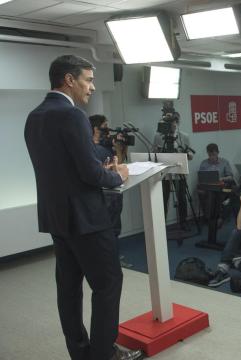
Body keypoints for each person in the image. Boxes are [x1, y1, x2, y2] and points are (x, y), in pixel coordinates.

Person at [24, 55, 139, 360]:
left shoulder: (34, 116)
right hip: (87, 218)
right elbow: (90, 174)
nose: (92, 87)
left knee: (69, 289)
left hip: (57, 217)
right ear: (69, 80)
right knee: (108, 284)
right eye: (88, 80)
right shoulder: (72, 115)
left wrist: (95, 164)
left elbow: (63, 166)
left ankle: (80, 352)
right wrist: (118, 173)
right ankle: (103, 354)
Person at [152, 106, 194, 229]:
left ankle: (183, 222)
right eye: (169, 123)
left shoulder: (184, 136)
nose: (172, 126)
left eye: (174, 123)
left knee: (181, 197)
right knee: (164, 197)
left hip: (179, 171)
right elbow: (153, 152)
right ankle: (161, 225)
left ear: (177, 122)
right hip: (164, 172)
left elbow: (191, 156)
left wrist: (183, 152)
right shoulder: (158, 136)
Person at [89, 114, 125, 238]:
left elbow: (119, 162)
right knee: (108, 230)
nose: (108, 129)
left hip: (115, 191)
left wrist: (119, 148)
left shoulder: (106, 145)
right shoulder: (91, 149)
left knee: (115, 228)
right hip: (105, 194)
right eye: (105, 126)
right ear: (95, 129)